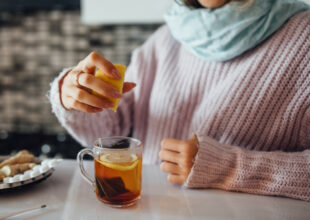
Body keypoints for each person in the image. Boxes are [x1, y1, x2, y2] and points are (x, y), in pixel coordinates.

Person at [48, 0, 310, 201]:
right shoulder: (165, 39)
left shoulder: (304, 40)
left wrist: (228, 168)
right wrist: (74, 95)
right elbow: (108, 132)